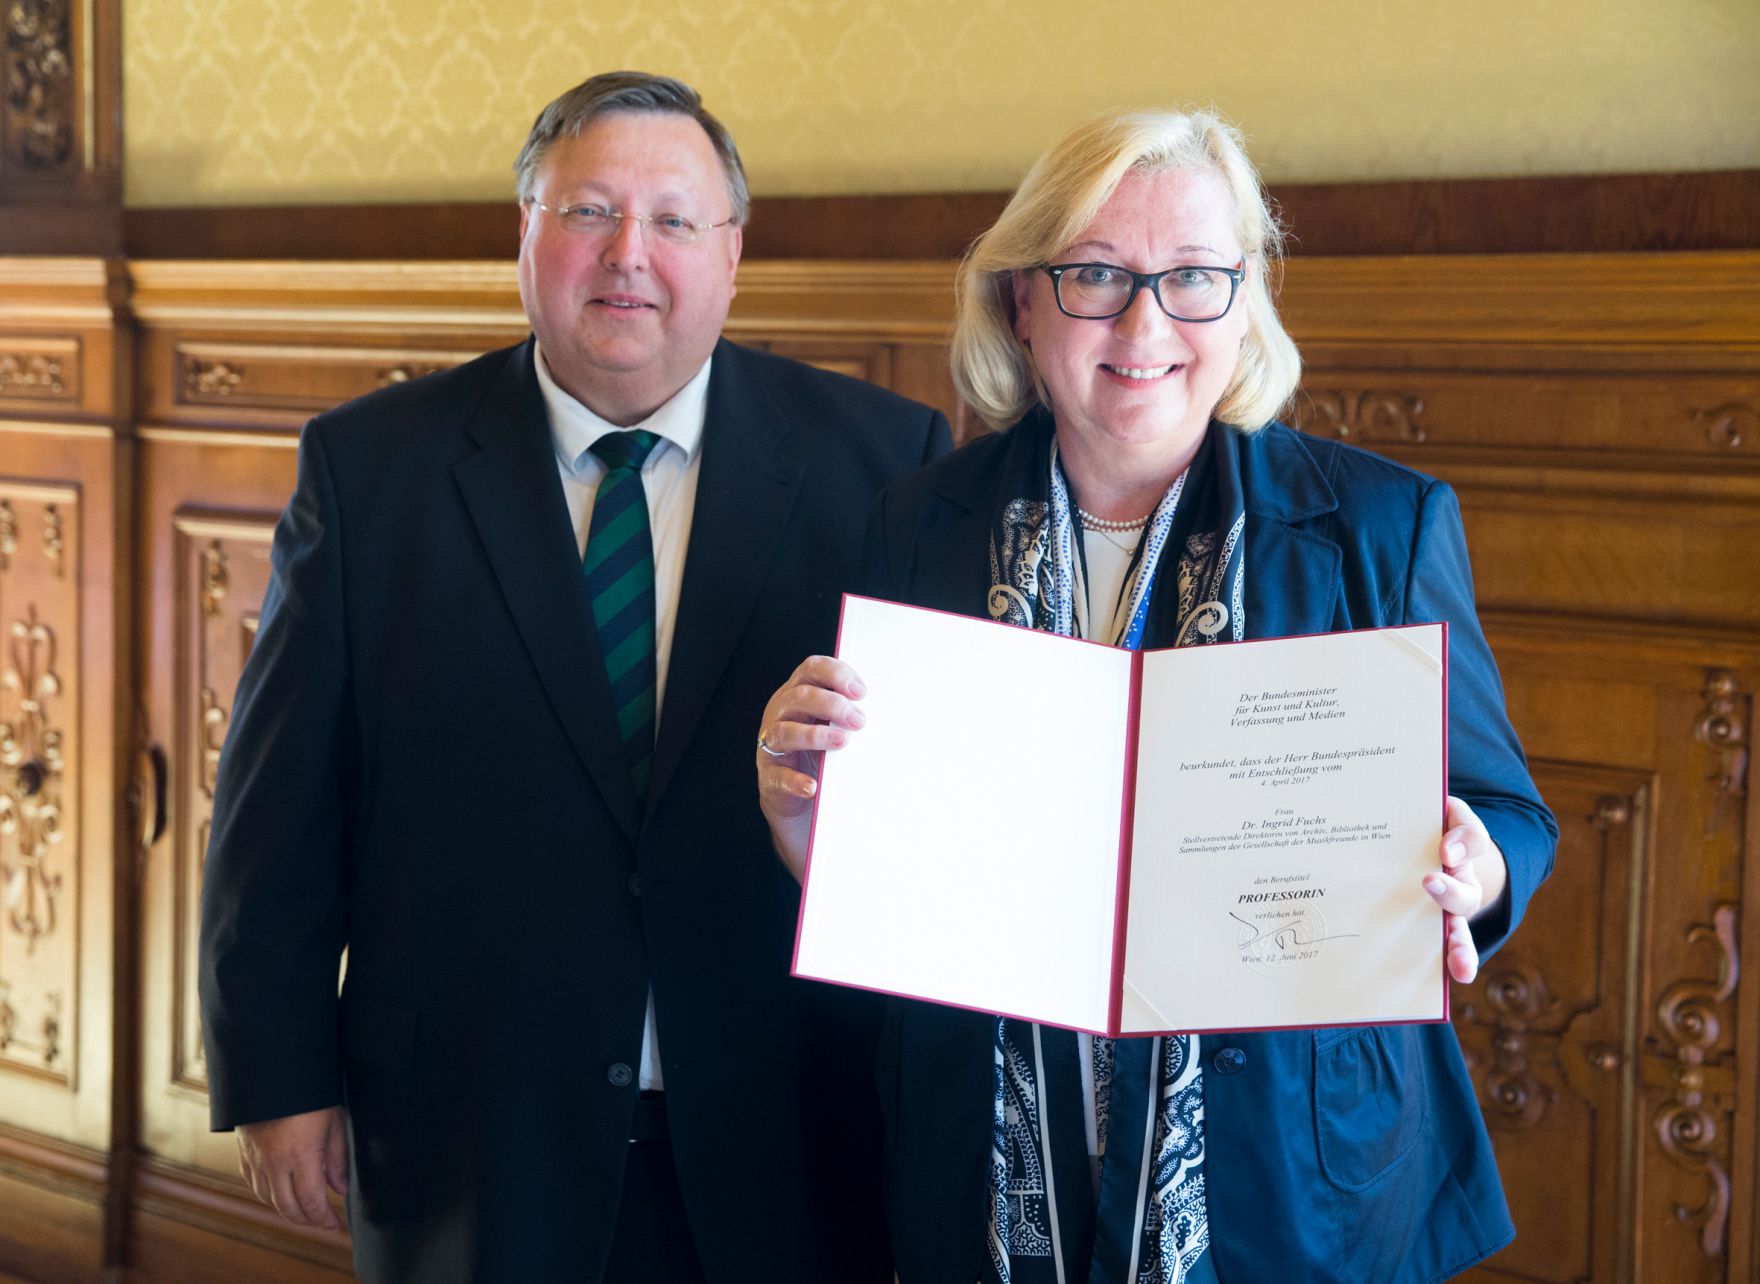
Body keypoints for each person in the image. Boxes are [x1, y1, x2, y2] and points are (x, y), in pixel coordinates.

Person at [757, 107, 1556, 1283]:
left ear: (1243, 303)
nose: (1143, 324)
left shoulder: (1378, 526)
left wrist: (1473, 868)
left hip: (1291, 1173)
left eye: (1190, 276)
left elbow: (1508, 813)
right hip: (982, 1164)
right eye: (1094, 275)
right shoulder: (918, 523)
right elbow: (889, 868)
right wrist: (803, 822)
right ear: (1022, 303)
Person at [199, 71, 951, 1283]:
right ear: (526, 233)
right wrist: (276, 1073)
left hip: (786, 1127)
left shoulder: (883, 461)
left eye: (671, 219)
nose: (627, 255)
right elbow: (279, 807)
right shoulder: (372, 470)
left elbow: (927, 814)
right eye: (588, 212)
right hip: (469, 1132)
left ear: (732, 253)